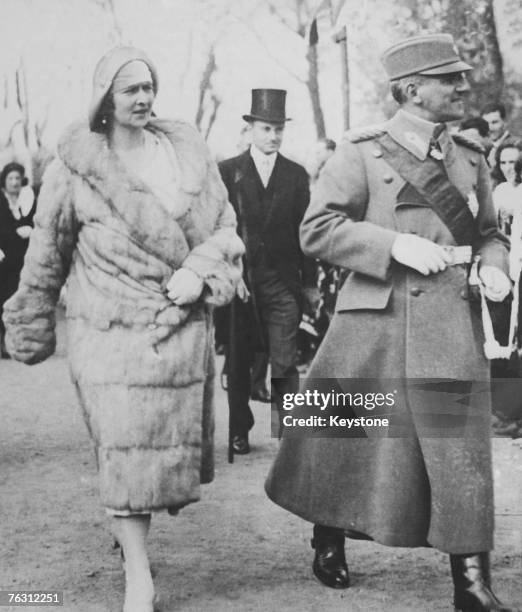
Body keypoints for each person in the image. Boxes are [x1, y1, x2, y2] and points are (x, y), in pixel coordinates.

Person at [265, 34, 517, 611]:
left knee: (460, 449)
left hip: (451, 320)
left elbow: (489, 233)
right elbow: (317, 229)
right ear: (411, 90)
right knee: (344, 438)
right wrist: (393, 244)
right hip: (374, 320)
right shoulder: (359, 152)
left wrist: (496, 267)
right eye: (448, 78)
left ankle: (471, 583)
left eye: (460, 77)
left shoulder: (470, 156)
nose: (461, 86)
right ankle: (328, 536)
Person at [3, 46, 243, 612]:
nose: (143, 98)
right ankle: (139, 573)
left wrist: (198, 272)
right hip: (108, 333)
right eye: (130, 88)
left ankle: (130, 535)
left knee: (147, 463)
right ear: (104, 97)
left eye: (148, 87)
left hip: (179, 327)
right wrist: (31, 321)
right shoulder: (72, 169)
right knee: (123, 449)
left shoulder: (185, 155)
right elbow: (46, 254)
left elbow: (228, 229)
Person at [218, 89, 317, 454]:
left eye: (278, 129)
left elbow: (306, 233)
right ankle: (239, 430)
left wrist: (310, 284)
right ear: (251, 130)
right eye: (266, 128)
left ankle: (288, 433)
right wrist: (229, 274)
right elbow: (219, 230)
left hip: (282, 283)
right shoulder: (228, 172)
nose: (273, 136)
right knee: (240, 360)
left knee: (285, 358)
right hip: (240, 283)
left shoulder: (296, 175)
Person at [0, 162, 36, 358]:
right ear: (4, 181)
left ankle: (16, 342)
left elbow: (35, 222)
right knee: (2, 298)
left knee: (19, 299)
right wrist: (17, 232)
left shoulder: (28, 199)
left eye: (17, 178)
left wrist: (31, 230)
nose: (14, 182)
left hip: (21, 258)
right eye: (10, 178)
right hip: (2, 256)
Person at [481, 102, 520, 183]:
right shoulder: (484, 149)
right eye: (485, 124)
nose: (490, 128)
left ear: (505, 122)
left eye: (494, 122)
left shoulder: (517, 145)